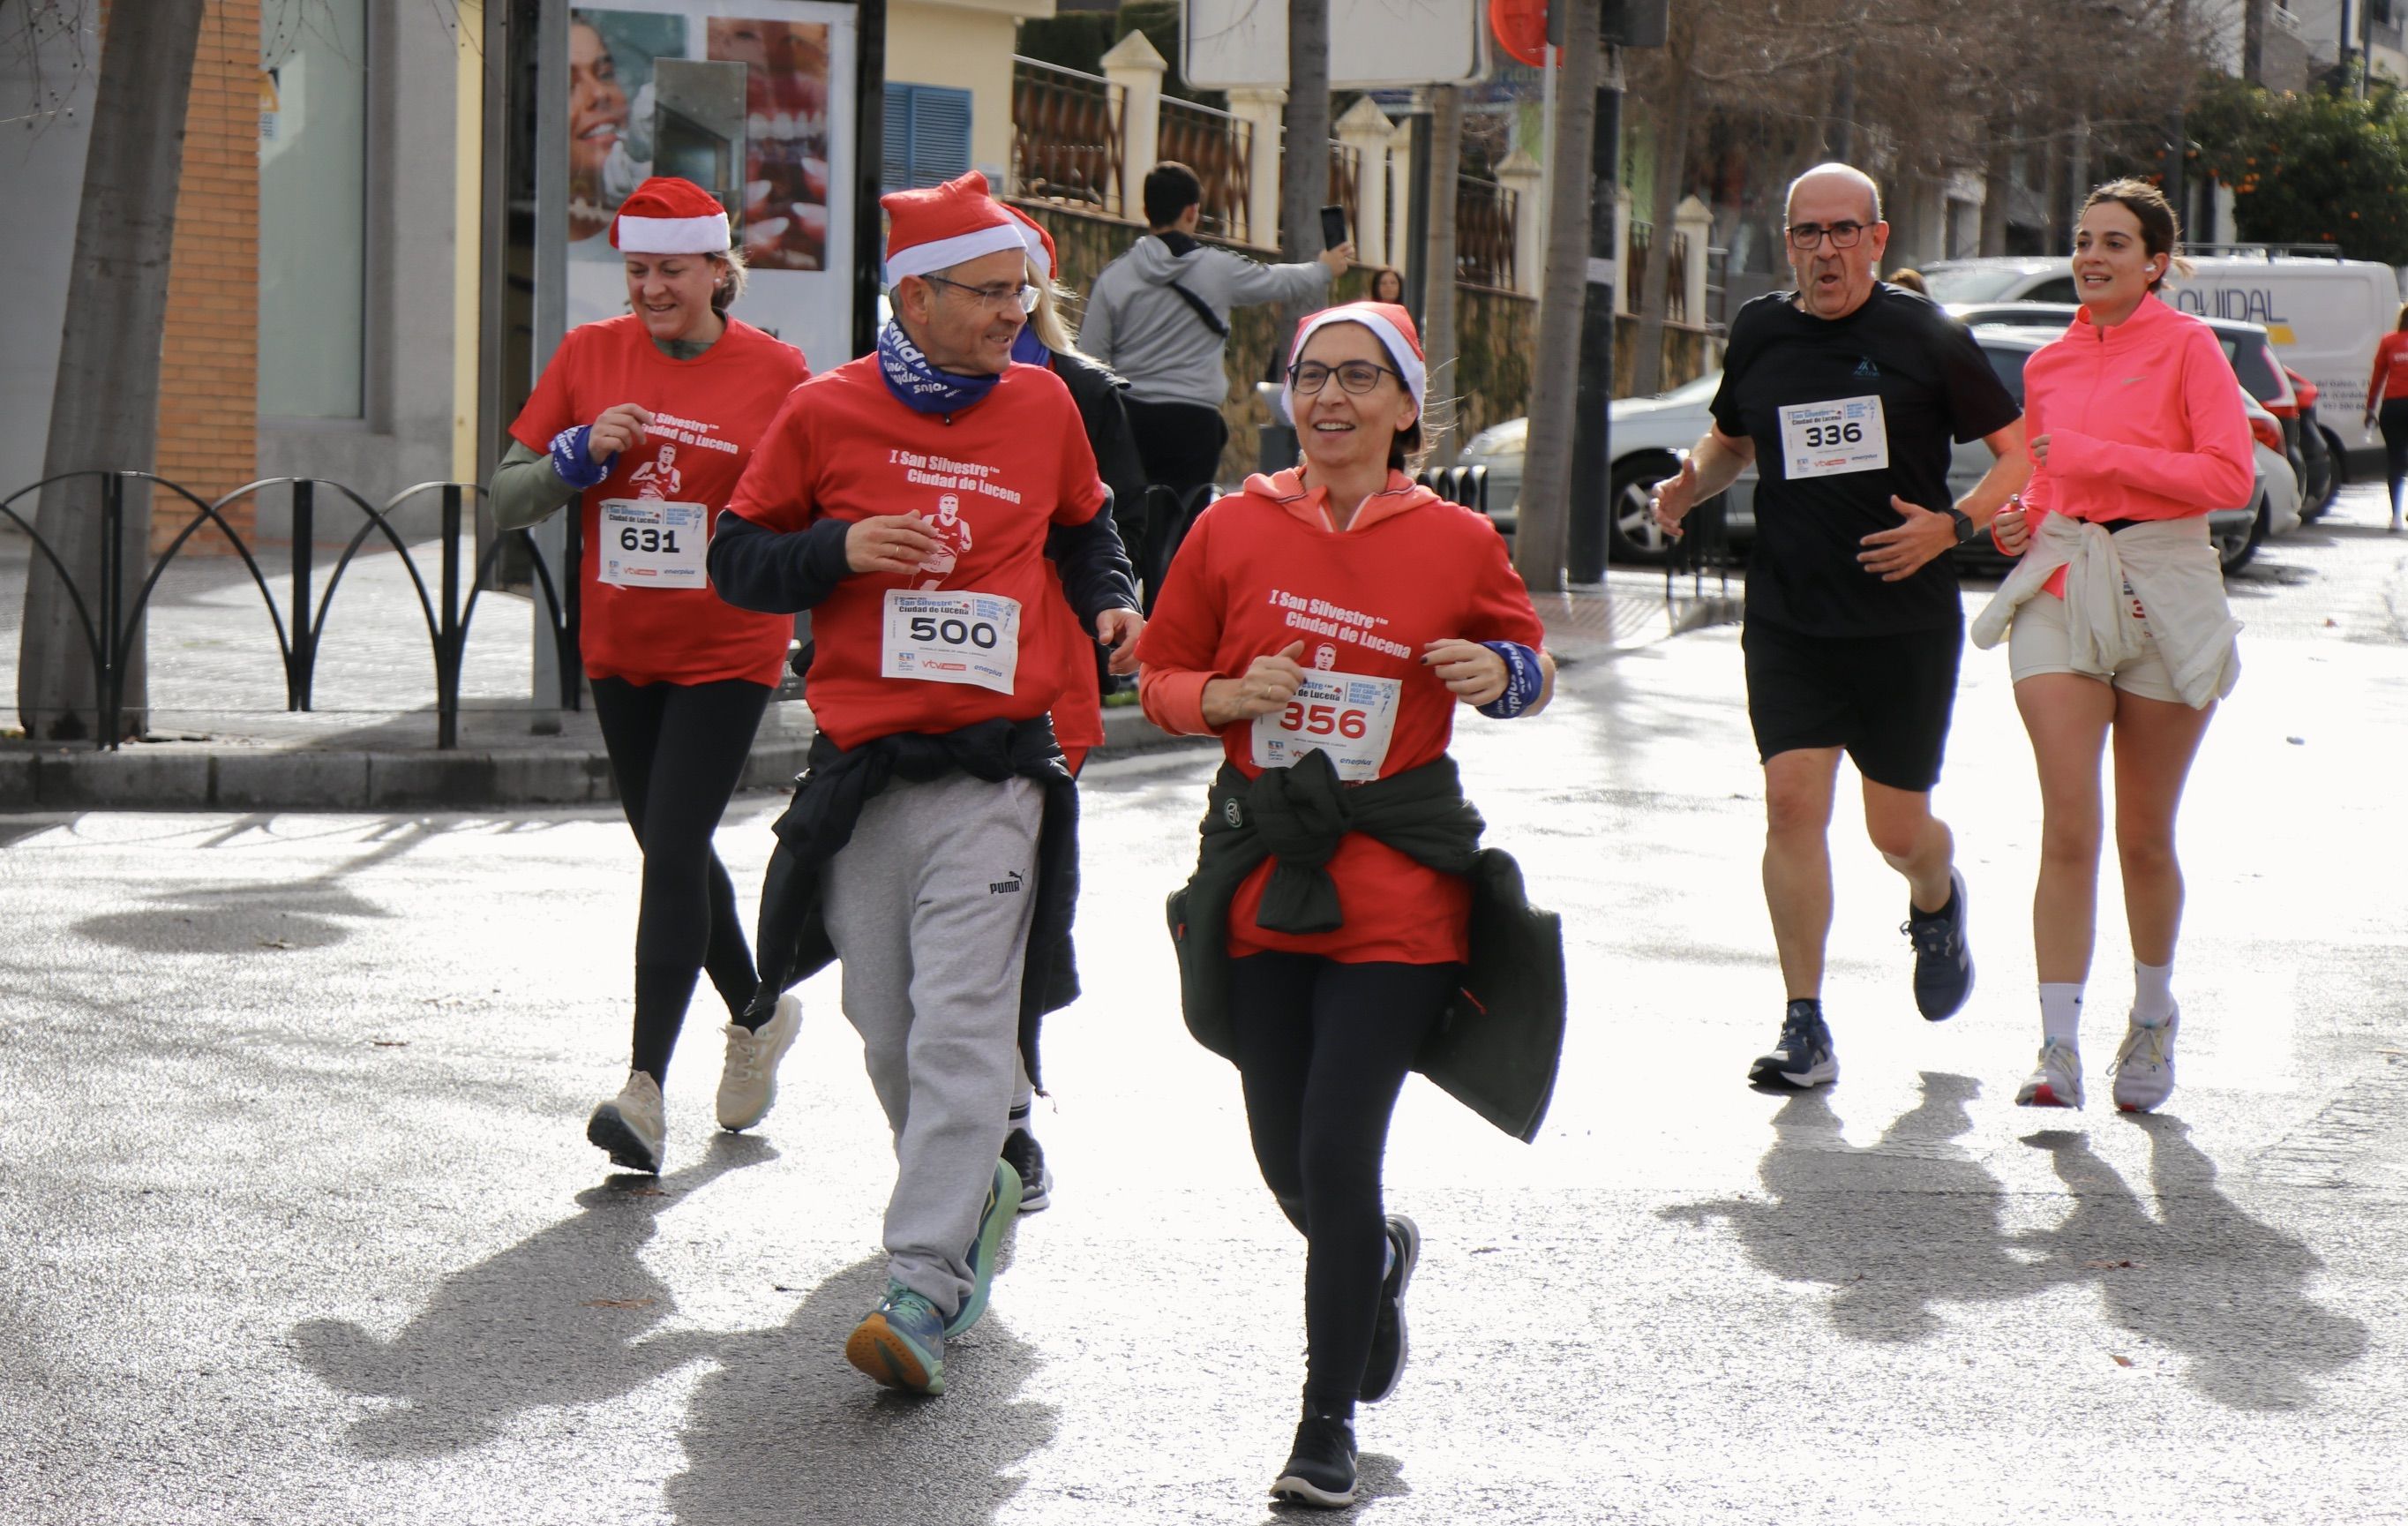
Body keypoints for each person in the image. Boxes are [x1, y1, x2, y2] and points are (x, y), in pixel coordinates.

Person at [708, 171, 1143, 1396]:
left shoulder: (1043, 406)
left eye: (1024, 291)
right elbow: (738, 559)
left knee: (962, 1029)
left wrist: (1110, 596)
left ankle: (922, 1285)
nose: (1017, 312)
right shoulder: (824, 412)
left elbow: (1082, 525)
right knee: (889, 1032)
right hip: (865, 770)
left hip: (997, 766)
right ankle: (976, 1193)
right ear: (917, 290)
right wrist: (840, 549)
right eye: (992, 292)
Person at [1137, 301, 1560, 1508]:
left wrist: (1501, 673)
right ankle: (1372, 1255)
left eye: (1358, 379)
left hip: (1398, 895)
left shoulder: (1457, 540)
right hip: (1267, 879)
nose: (1329, 398)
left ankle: (1323, 1426)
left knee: (1336, 1146)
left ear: (1404, 406)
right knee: (1289, 1163)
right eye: (1309, 376)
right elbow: (1158, 676)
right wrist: (1223, 694)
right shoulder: (1230, 528)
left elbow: (1528, 666)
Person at [1649, 162, 2030, 1089]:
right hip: (1787, 612)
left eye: (1841, 231)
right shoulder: (1761, 331)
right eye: (1806, 233)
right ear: (1787, 243)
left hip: (1901, 621)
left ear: (1876, 238)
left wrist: (1953, 524)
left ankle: (1934, 899)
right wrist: (1687, 482)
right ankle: (1803, 1024)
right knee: (1790, 805)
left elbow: (2018, 454)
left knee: (1893, 830)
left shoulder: (1923, 335)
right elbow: (1733, 438)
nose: (1824, 249)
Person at [491, 176, 810, 1175]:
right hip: (622, 648)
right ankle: (757, 1011)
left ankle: (642, 1090)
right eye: (636, 270)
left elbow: (808, 508)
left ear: (721, 271)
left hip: (727, 648)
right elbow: (504, 496)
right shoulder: (590, 354)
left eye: (671, 270)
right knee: (667, 844)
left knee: (671, 843)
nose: (650, 288)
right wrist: (576, 458)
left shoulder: (777, 372)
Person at [1971, 179, 2251, 1114]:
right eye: (2083, 239)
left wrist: (2097, 466)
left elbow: (2226, 473)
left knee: (2140, 835)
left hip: (2164, 585)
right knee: (2067, 821)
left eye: (2114, 243)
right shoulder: (2046, 365)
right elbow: (2051, 484)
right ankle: (2055, 1045)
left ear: (2154, 261)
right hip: (2062, 583)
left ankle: (2153, 1011)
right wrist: (2022, 518)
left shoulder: (2189, 348)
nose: (2091, 256)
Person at [1081, 162, 1353, 603]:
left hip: (1131, 423)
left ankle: (1132, 607)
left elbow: (1091, 358)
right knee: (1188, 523)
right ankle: (1172, 611)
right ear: (1193, 211)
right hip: (1195, 424)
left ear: (1146, 210)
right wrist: (1325, 267)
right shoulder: (1217, 269)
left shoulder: (1116, 277)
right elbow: (1277, 282)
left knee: (1135, 520)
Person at [2362, 303, 2408, 533]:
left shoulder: (2389, 341)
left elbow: (2378, 376)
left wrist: (2370, 409)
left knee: (2396, 460)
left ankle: (2396, 517)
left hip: (2393, 407)